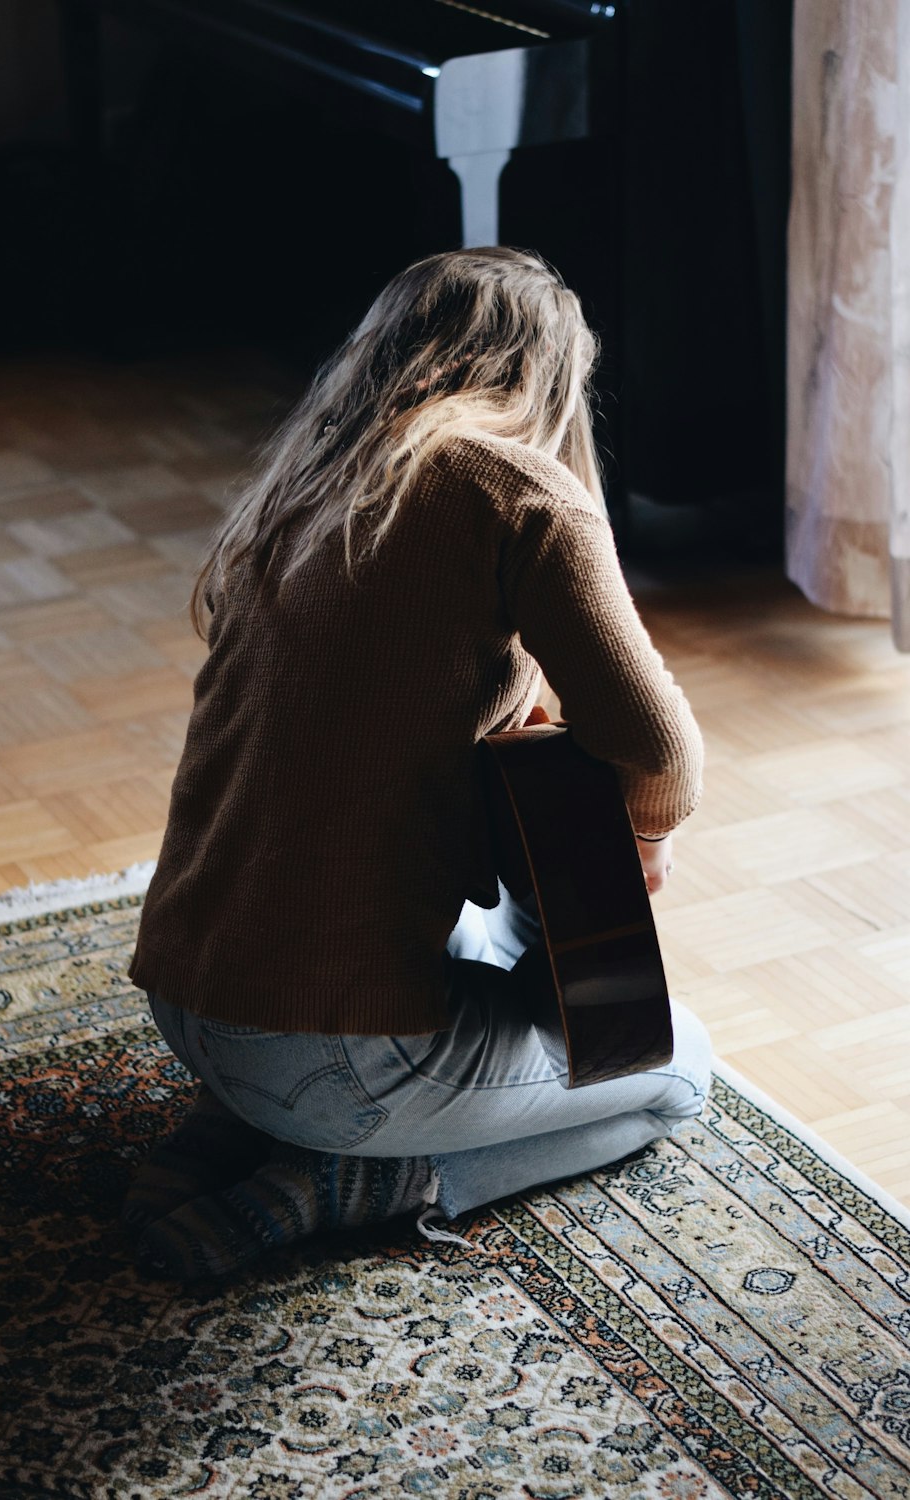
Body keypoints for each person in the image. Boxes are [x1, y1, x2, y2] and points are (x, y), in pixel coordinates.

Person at [124, 247, 711, 1282]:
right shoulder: (517, 488)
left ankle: (228, 1133)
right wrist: (642, 836)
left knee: (469, 937)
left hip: (185, 1001)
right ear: (545, 375)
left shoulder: (307, 482)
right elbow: (659, 751)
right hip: (331, 1065)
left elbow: (371, 691)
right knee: (680, 1072)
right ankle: (352, 1182)